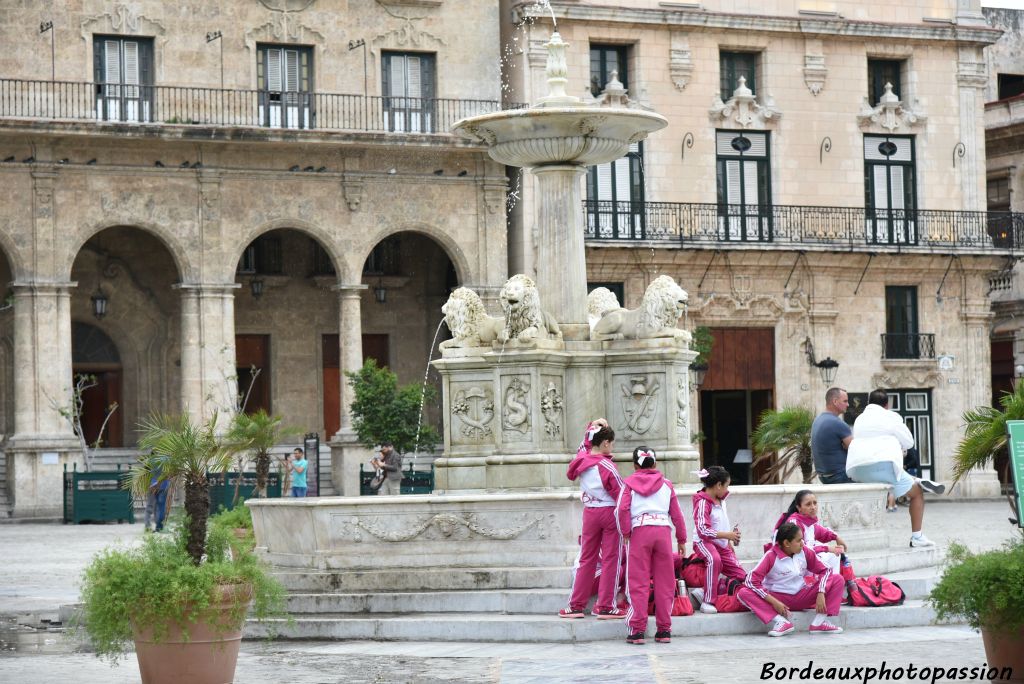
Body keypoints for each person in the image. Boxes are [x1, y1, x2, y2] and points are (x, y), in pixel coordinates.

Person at [849, 389, 945, 548]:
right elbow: (909, 443)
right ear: (887, 405)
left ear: (868, 403)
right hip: (882, 468)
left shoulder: (859, 419)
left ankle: (915, 479)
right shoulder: (891, 417)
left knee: (896, 474)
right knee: (916, 493)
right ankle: (917, 537)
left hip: (857, 469)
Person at [616, 447, 687, 645]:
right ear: (655, 463)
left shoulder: (628, 484)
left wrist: (626, 532)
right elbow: (677, 514)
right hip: (663, 532)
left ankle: (637, 631)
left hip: (640, 532)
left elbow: (622, 509)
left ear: (635, 465)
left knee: (638, 582)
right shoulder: (667, 485)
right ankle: (664, 630)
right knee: (665, 582)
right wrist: (681, 539)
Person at [560, 425, 624, 620]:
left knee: (586, 559)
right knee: (611, 559)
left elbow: (584, 445)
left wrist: (592, 425)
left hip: (590, 513)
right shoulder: (607, 466)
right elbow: (621, 495)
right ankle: (605, 606)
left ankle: (575, 606)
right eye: (611, 443)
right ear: (605, 443)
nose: (611, 447)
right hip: (609, 513)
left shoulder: (581, 459)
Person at [737, 521, 845, 636]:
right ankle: (781, 622)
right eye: (798, 541)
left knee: (838, 579)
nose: (802, 543)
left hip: (802, 595)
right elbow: (750, 581)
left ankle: (819, 622)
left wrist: (821, 592)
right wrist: (774, 602)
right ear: (787, 543)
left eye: (802, 539)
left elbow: (826, 570)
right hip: (778, 598)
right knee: (743, 593)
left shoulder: (805, 551)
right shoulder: (771, 556)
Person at [690, 465, 745, 614]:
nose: (728, 489)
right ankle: (707, 601)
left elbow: (721, 523)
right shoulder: (702, 502)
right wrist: (727, 535)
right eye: (727, 485)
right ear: (719, 485)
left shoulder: (722, 500)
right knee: (714, 559)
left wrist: (729, 541)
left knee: (742, 576)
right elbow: (703, 530)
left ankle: (704, 590)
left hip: (722, 544)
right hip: (703, 542)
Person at [769, 490, 851, 578]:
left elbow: (824, 532)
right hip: (794, 563)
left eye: (815, 503)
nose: (813, 507)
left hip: (805, 560)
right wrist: (827, 548)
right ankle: (828, 584)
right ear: (798, 507)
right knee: (832, 555)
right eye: (808, 504)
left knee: (835, 554)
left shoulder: (809, 521)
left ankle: (830, 584)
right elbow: (801, 549)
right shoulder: (794, 523)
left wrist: (836, 537)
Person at [811, 387, 853, 485]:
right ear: (835, 401)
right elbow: (854, 449)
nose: (848, 404)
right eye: (845, 401)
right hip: (840, 476)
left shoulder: (817, 420)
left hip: (823, 477)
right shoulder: (837, 423)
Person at [149, 466, 171, 532]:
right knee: (162, 507)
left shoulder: (153, 460)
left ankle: (159, 526)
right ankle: (159, 526)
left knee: (159, 506)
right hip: (163, 486)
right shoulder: (165, 459)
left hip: (154, 485)